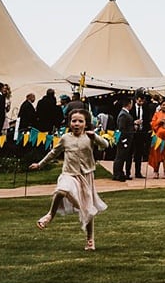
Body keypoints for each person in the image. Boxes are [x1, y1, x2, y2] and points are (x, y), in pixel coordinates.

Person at [31, 107, 111, 251]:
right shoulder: (65, 138)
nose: (76, 124)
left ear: (86, 124)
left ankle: (90, 239)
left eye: (80, 121)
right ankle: (50, 214)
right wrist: (40, 164)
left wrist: (95, 137)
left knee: (88, 209)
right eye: (74, 121)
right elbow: (53, 153)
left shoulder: (89, 137)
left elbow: (105, 145)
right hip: (69, 173)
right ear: (69, 123)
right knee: (61, 190)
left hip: (86, 176)